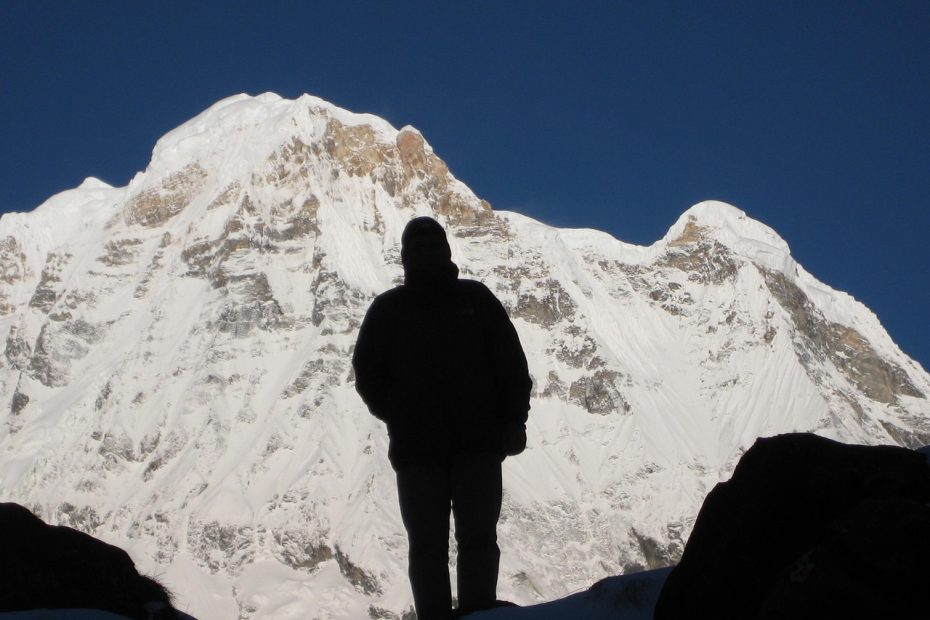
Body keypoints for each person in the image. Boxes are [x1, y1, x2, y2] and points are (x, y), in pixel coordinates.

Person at [353, 216, 532, 619]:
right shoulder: (388, 310)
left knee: (479, 538)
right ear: (405, 256)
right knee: (427, 544)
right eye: (419, 246)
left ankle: (477, 612)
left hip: (477, 446)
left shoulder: (477, 300)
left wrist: (513, 421)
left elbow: (511, 367)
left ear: (447, 251)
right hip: (419, 451)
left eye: (433, 245)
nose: (427, 252)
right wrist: (400, 414)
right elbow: (367, 374)